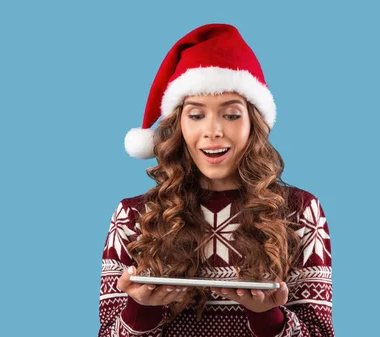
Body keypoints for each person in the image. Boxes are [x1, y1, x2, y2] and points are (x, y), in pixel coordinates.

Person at [99, 23, 334, 337]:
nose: (214, 131)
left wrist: (267, 317)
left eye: (231, 114)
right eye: (196, 115)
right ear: (178, 125)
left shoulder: (301, 210)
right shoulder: (132, 217)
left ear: (254, 123)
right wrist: (141, 308)